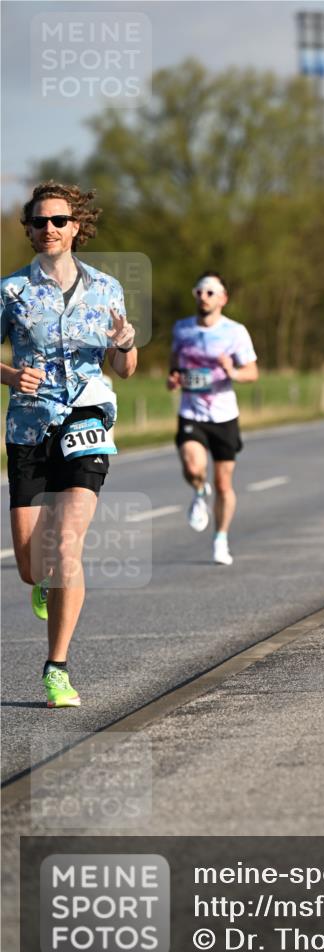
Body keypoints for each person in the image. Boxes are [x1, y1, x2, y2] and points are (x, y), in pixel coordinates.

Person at [0, 180, 137, 707]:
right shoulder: (10, 292)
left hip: (87, 418)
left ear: (77, 226)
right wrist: (11, 375)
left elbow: (124, 369)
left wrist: (125, 344)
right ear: (29, 230)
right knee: (33, 565)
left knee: (65, 547)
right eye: (39, 222)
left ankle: (56, 668)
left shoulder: (106, 290)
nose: (49, 229)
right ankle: (42, 581)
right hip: (29, 428)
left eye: (59, 220)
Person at [167, 271, 258, 565]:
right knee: (194, 466)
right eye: (200, 292)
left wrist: (231, 371)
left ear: (223, 298)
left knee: (223, 484)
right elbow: (174, 365)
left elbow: (252, 372)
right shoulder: (182, 329)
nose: (204, 298)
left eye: (210, 293)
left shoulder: (235, 332)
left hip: (224, 416)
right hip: (191, 411)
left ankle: (220, 539)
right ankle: (197, 490)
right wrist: (173, 379)